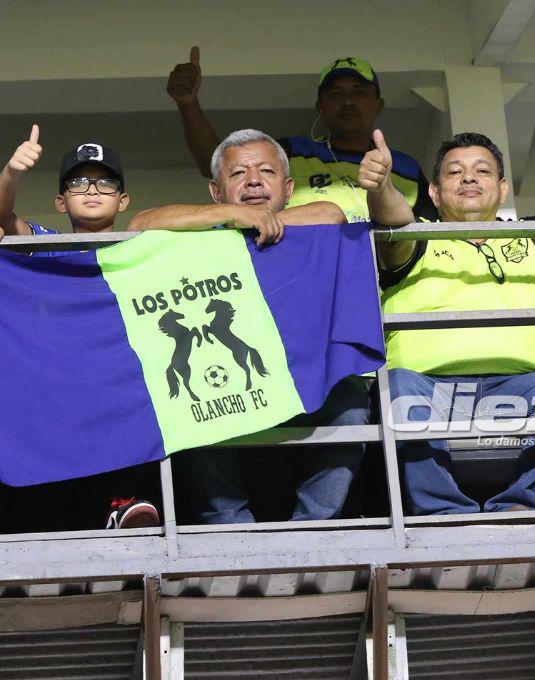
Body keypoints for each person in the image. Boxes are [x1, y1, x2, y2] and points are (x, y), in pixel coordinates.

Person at [363, 131, 535, 514]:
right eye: (454, 172)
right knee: (393, 386)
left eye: (482, 171)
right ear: (434, 192)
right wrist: (381, 187)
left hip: (526, 391)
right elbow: (392, 215)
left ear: (503, 187)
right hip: (430, 391)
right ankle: (445, 513)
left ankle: (520, 508)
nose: (469, 178)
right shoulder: (418, 236)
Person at [129, 128, 368, 523]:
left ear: (288, 187)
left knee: (352, 402)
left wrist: (263, 219)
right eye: (239, 174)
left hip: (300, 375)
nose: (254, 181)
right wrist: (231, 217)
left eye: (266, 172)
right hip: (230, 384)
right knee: (186, 399)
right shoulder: (201, 233)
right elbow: (140, 222)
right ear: (215, 191)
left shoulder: (312, 222)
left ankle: (312, 528)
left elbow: (330, 212)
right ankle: (230, 527)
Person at [0, 125, 160, 530]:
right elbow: (4, 218)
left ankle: (121, 502)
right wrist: (12, 174)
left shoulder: (142, 247)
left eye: (105, 183)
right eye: (78, 182)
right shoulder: (44, 241)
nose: (92, 189)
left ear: (123, 200)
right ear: (60, 201)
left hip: (122, 377)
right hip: (56, 378)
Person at [167, 49, 436, 223]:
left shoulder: (406, 167)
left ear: (379, 105)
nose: (348, 102)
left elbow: (430, 235)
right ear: (320, 105)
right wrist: (188, 104)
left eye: (359, 92)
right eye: (336, 94)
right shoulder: (292, 152)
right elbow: (215, 165)